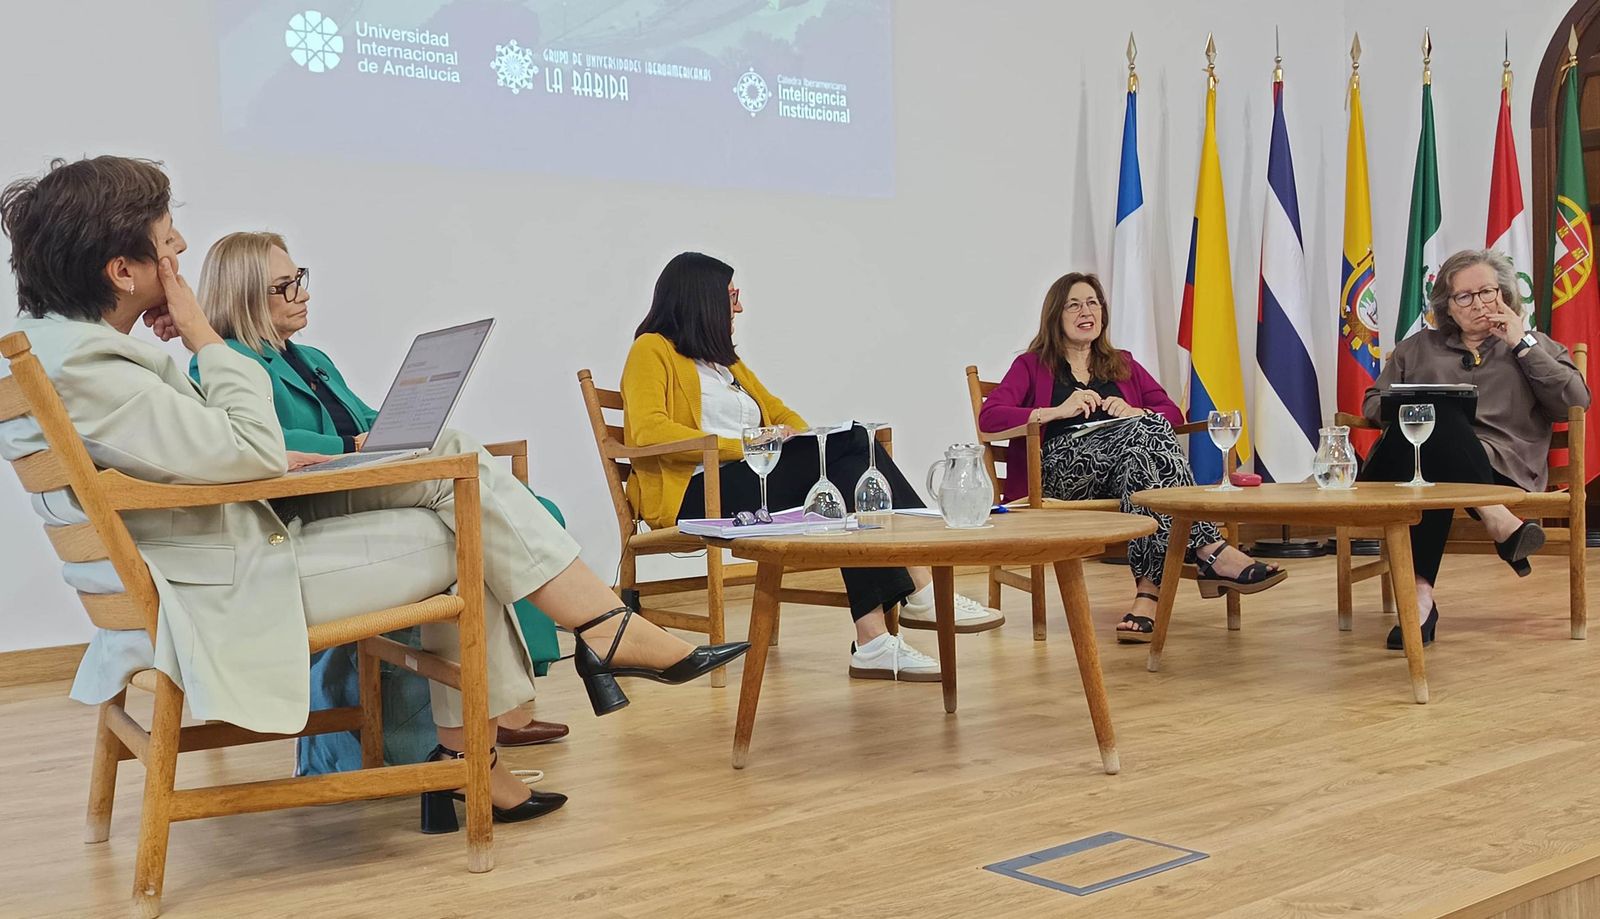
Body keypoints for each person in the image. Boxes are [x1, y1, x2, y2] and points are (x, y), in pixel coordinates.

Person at [0, 156, 747, 831]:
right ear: (122, 270)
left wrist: (292, 449)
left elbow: (215, 454)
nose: (182, 254)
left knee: (456, 473)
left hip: (215, 558)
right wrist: (204, 334)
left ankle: (534, 699)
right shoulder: (94, 366)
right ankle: (568, 666)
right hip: (225, 587)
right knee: (467, 520)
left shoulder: (66, 355)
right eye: (168, 243)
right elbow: (246, 449)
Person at [189, 232, 568, 777]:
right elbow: (254, 444)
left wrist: (404, 429)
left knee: (523, 508)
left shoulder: (311, 359)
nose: (302, 294)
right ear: (243, 295)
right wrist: (349, 445)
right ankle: (550, 668)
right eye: (284, 286)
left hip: (362, 492)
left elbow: (370, 423)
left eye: (300, 279)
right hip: (310, 510)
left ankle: (488, 727)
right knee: (473, 522)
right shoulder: (222, 364)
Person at [621, 252, 1005, 683]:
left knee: (850, 468)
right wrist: (748, 445)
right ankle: (924, 588)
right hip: (695, 493)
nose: (739, 307)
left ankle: (874, 641)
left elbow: (780, 411)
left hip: (750, 478)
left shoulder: (726, 365)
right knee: (856, 442)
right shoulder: (651, 349)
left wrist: (800, 438)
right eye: (732, 296)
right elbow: (649, 431)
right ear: (702, 297)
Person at [978, 272, 1285, 642]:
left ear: (1103, 313)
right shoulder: (1032, 365)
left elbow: (1171, 414)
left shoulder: (1121, 364)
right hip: (1062, 471)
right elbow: (989, 417)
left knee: (1145, 445)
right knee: (1147, 433)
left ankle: (1148, 596)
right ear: (1055, 316)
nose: (1085, 311)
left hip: (1126, 473)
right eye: (1073, 305)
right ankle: (1211, 551)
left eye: (1092, 303)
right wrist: (1057, 411)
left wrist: (1134, 410)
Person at [1360, 248, 1590, 649]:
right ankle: (1498, 520)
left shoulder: (1535, 345)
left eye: (1487, 292)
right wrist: (1418, 407)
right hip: (1406, 465)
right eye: (1464, 296)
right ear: (1447, 306)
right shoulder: (1418, 348)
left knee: (1431, 470)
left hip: (1500, 471)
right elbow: (1372, 404)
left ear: (1504, 293)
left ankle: (1419, 599)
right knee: (1435, 417)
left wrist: (1520, 343)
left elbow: (1574, 401)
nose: (1479, 304)